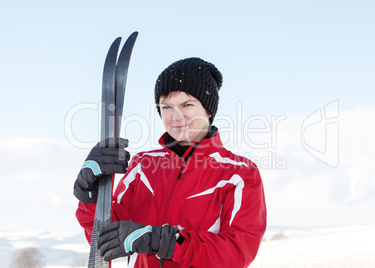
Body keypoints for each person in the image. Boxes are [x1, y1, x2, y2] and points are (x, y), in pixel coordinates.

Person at [74, 57, 267, 268]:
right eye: (166, 107)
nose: (176, 116)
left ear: (208, 110)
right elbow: (106, 237)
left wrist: (162, 240)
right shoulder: (142, 166)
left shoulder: (239, 173)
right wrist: (92, 197)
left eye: (187, 104)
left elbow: (236, 253)